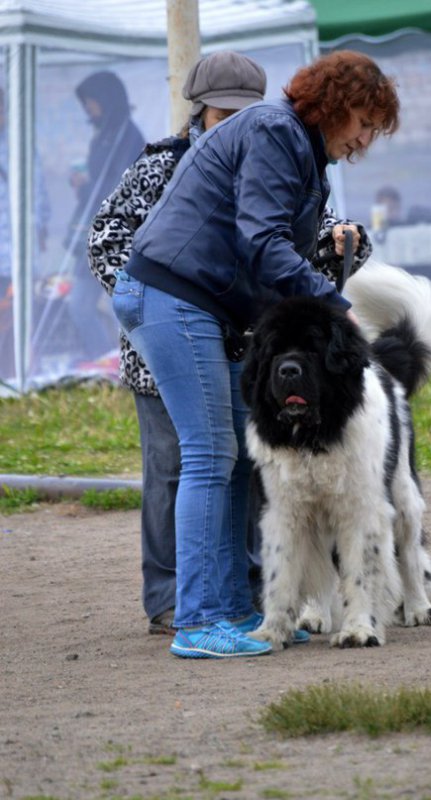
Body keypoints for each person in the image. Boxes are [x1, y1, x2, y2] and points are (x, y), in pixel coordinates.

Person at [112, 50, 399, 659]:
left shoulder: (302, 150)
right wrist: (336, 307)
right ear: (338, 106)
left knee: (240, 458)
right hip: (172, 293)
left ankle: (235, 609)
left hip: (200, 300)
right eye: (365, 124)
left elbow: (272, 252)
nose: (366, 140)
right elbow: (263, 240)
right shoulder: (275, 131)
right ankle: (196, 621)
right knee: (210, 454)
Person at [88, 51, 268, 634]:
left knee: (245, 467)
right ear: (198, 111)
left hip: (239, 350)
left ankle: (245, 589)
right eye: (222, 114)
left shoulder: (270, 167)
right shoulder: (159, 165)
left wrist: (347, 239)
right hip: (162, 352)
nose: (233, 125)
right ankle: (169, 598)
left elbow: (312, 234)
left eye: (245, 115)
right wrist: (157, 309)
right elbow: (106, 238)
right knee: (171, 470)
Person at [65, 71, 145, 363]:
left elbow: (121, 188)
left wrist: (87, 186)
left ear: (106, 99)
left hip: (116, 237)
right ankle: (106, 362)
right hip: (94, 234)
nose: (88, 108)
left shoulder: (128, 136)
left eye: (91, 101)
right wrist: (83, 184)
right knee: (80, 305)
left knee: (116, 307)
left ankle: (123, 364)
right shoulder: (104, 135)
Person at [0, 86, 50, 380]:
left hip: (17, 255)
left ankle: (16, 375)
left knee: (17, 319)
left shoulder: (19, 145)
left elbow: (39, 192)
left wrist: (40, 228)